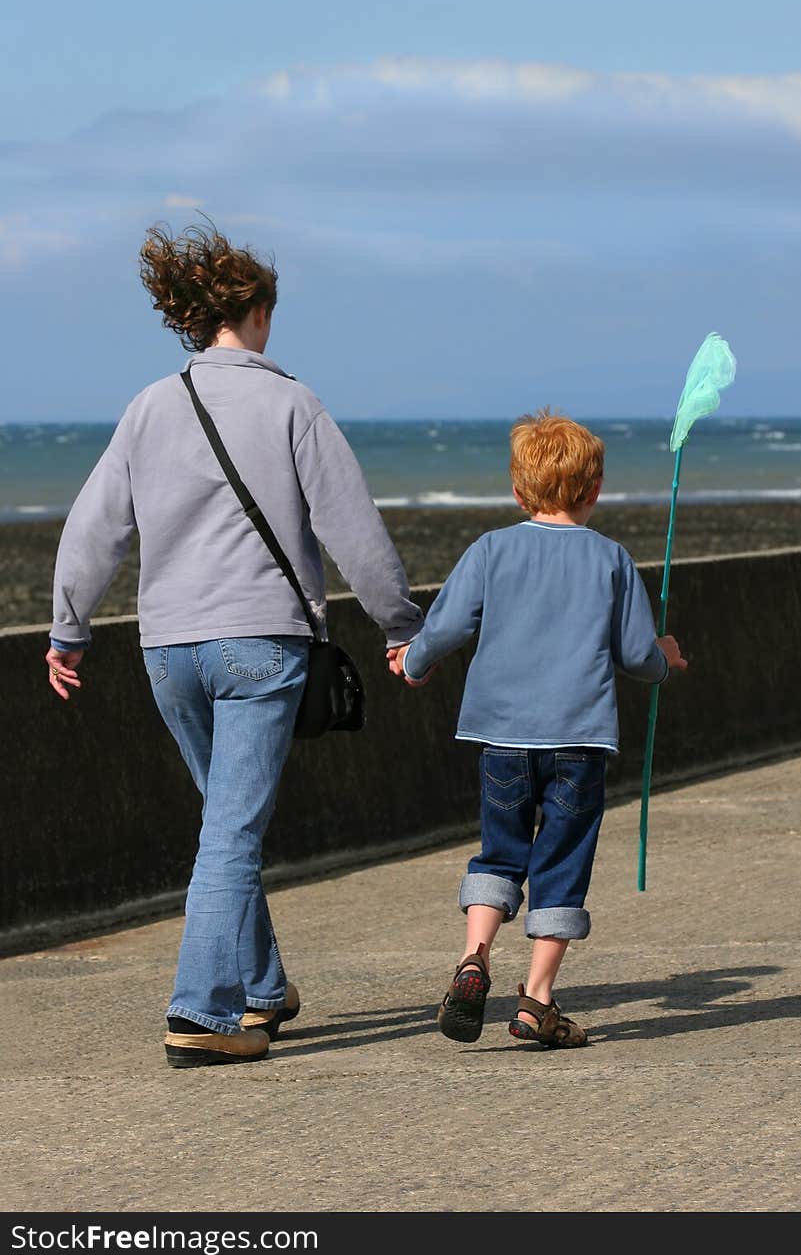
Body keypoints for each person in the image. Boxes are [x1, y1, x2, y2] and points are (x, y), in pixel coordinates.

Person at [47, 222, 424, 1069]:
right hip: (259, 645)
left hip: (168, 651)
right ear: (256, 311)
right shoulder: (291, 400)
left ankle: (261, 990)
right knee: (231, 837)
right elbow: (353, 532)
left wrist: (69, 629)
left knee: (226, 821)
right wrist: (401, 624)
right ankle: (201, 1013)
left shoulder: (150, 406)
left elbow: (92, 530)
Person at [387, 410, 686, 1048]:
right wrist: (666, 658)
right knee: (562, 858)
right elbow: (637, 657)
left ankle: (475, 958)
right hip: (578, 740)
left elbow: (445, 627)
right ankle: (537, 999)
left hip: (501, 738)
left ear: (519, 492)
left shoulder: (491, 549)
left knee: (501, 850)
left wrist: (412, 661)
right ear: (595, 489)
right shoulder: (611, 558)